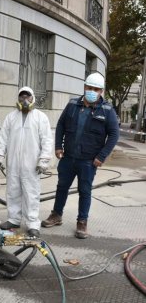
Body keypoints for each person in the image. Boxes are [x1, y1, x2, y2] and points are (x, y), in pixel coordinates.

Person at [41, 73, 119, 239]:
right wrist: (58, 146)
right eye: (89, 88)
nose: (92, 91)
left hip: (88, 161)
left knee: (85, 191)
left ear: (101, 91)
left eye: (96, 89)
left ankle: (82, 222)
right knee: (62, 187)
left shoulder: (107, 110)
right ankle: (56, 215)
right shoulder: (72, 104)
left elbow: (113, 135)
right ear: (85, 87)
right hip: (68, 157)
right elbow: (61, 125)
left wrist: (101, 156)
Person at [0, 86, 53, 238]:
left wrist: (44, 160)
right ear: (18, 99)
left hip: (32, 164)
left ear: (33, 98)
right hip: (13, 163)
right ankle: (14, 219)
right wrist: (0, 155)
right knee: (13, 191)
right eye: (22, 97)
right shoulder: (11, 117)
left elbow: (46, 140)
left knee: (31, 193)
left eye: (27, 97)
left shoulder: (41, 117)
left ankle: (32, 223)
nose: (25, 100)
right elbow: (3, 138)